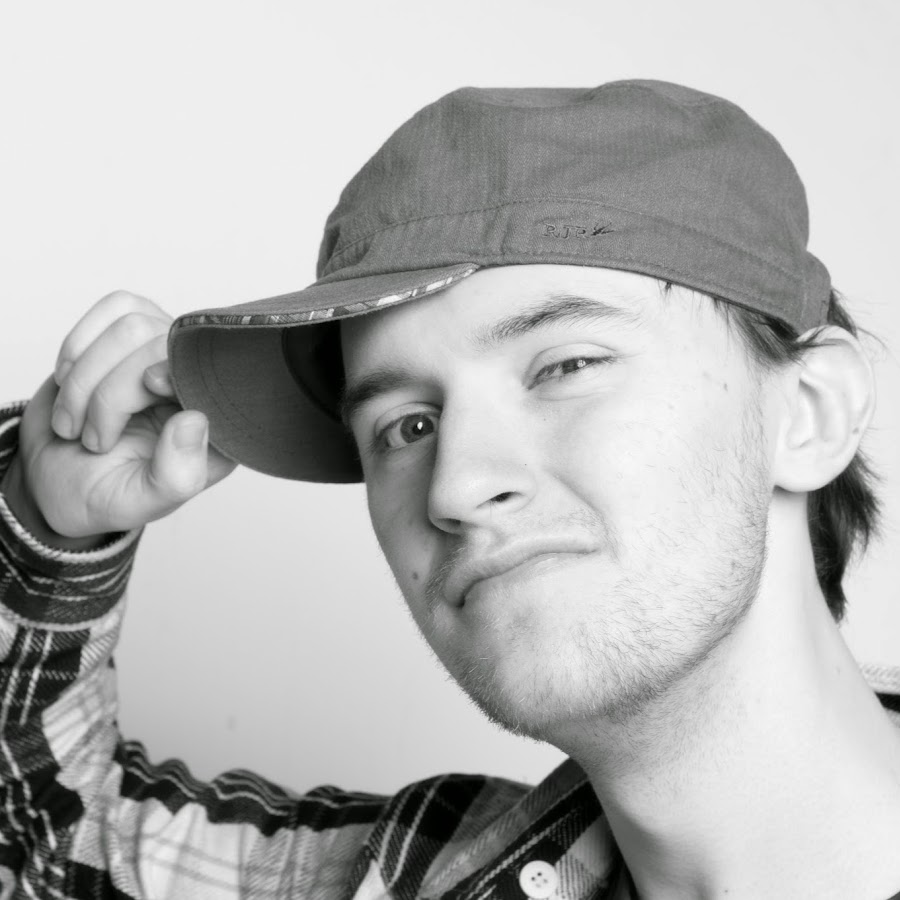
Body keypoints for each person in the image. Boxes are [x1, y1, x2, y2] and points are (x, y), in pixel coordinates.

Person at [0, 79, 898, 900]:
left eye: (566, 366)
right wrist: (51, 527)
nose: (456, 487)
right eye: (406, 427)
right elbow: (51, 842)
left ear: (811, 412)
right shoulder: (416, 878)